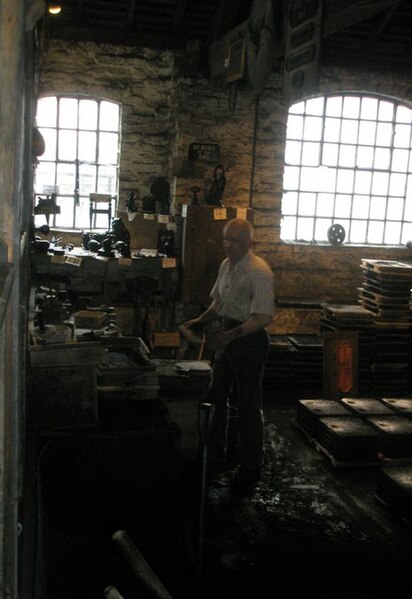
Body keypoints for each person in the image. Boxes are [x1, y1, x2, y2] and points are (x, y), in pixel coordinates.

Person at [183, 218, 274, 489]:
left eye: (234, 240)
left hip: (250, 339)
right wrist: (198, 321)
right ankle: (216, 454)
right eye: (225, 239)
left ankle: (251, 464)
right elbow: (218, 302)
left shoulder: (259, 272)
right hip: (227, 336)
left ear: (248, 242)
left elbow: (263, 317)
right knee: (215, 396)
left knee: (248, 403)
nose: (228, 245)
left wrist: (230, 336)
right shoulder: (226, 265)